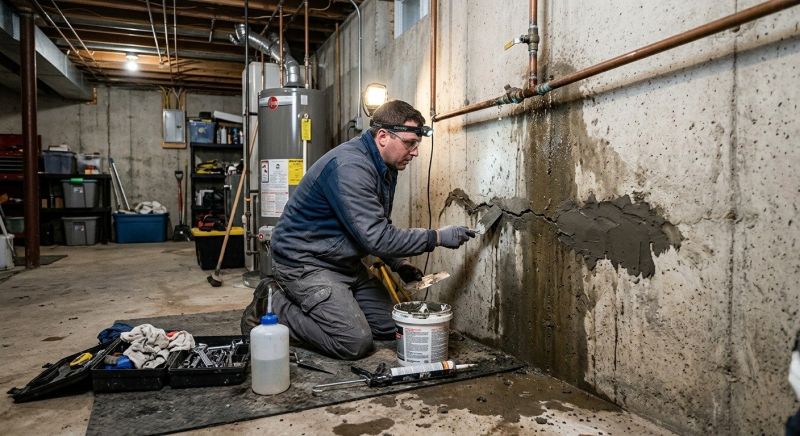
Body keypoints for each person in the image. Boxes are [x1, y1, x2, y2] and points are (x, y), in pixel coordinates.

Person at [242, 100, 475, 359]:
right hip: (306, 263)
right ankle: (271, 304)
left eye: (417, 144)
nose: (415, 152)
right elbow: (376, 237)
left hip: (343, 263)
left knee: (390, 327)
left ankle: (334, 307)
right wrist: (438, 237)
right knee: (354, 342)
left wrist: (398, 263)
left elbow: (371, 226)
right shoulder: (350, 167)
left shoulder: (383, 166)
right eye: (410, 143)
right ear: (383, 137)